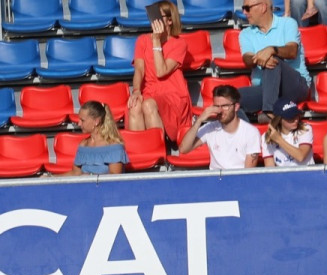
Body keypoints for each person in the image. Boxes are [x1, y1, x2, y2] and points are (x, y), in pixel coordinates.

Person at [127, 0, 192, 145]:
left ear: (169, 20)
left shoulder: (179, 43)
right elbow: (139, 69)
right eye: (152, 16)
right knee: (135, 105)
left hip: (172, 94)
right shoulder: (142, 40)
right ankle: (140, 151)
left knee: (148, 105)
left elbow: (161, 71)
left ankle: (157, 150)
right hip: (150, 90)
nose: (154, 20)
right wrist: (136, 90)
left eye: (158, 16)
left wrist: (156, 42)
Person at [238, 0, 312, 121]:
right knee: (229, 100)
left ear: (262, 7)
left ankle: (269, 112)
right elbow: (247, 59)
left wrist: (272, 50)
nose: (244, 12)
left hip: (295, 87)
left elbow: (292, 51)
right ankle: (251, 135)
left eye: (247, 8)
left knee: (274, 60)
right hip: (266, 90)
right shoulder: (245, 34)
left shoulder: (288, 23)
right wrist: (260, 59)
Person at [178, 85, 263, 170]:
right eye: (217, 106)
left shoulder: (251, 133)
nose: (220, 111)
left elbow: (247, 173)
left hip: (238, 180)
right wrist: (199, 120)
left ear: (236, 107)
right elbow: (183, 149)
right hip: (215, 179)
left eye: (225, 106)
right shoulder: (210, 128)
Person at [62, 101, 129, 176]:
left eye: (82, 120)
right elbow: (75, 173)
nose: (79, 123)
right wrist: (50, 177)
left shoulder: (114, 146)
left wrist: (90, 176)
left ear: (96, 121)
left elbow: (114, 178)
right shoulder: (83, 144)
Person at [262, 98, 315, 166]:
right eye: (291, 118)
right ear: (279, 120)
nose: (296, 120)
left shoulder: (305, 128)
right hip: (283, 175)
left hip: (306, 174)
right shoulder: (267, 136)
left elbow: (301, 156)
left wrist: (279, 140)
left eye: (297, 116)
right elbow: (270, 168)